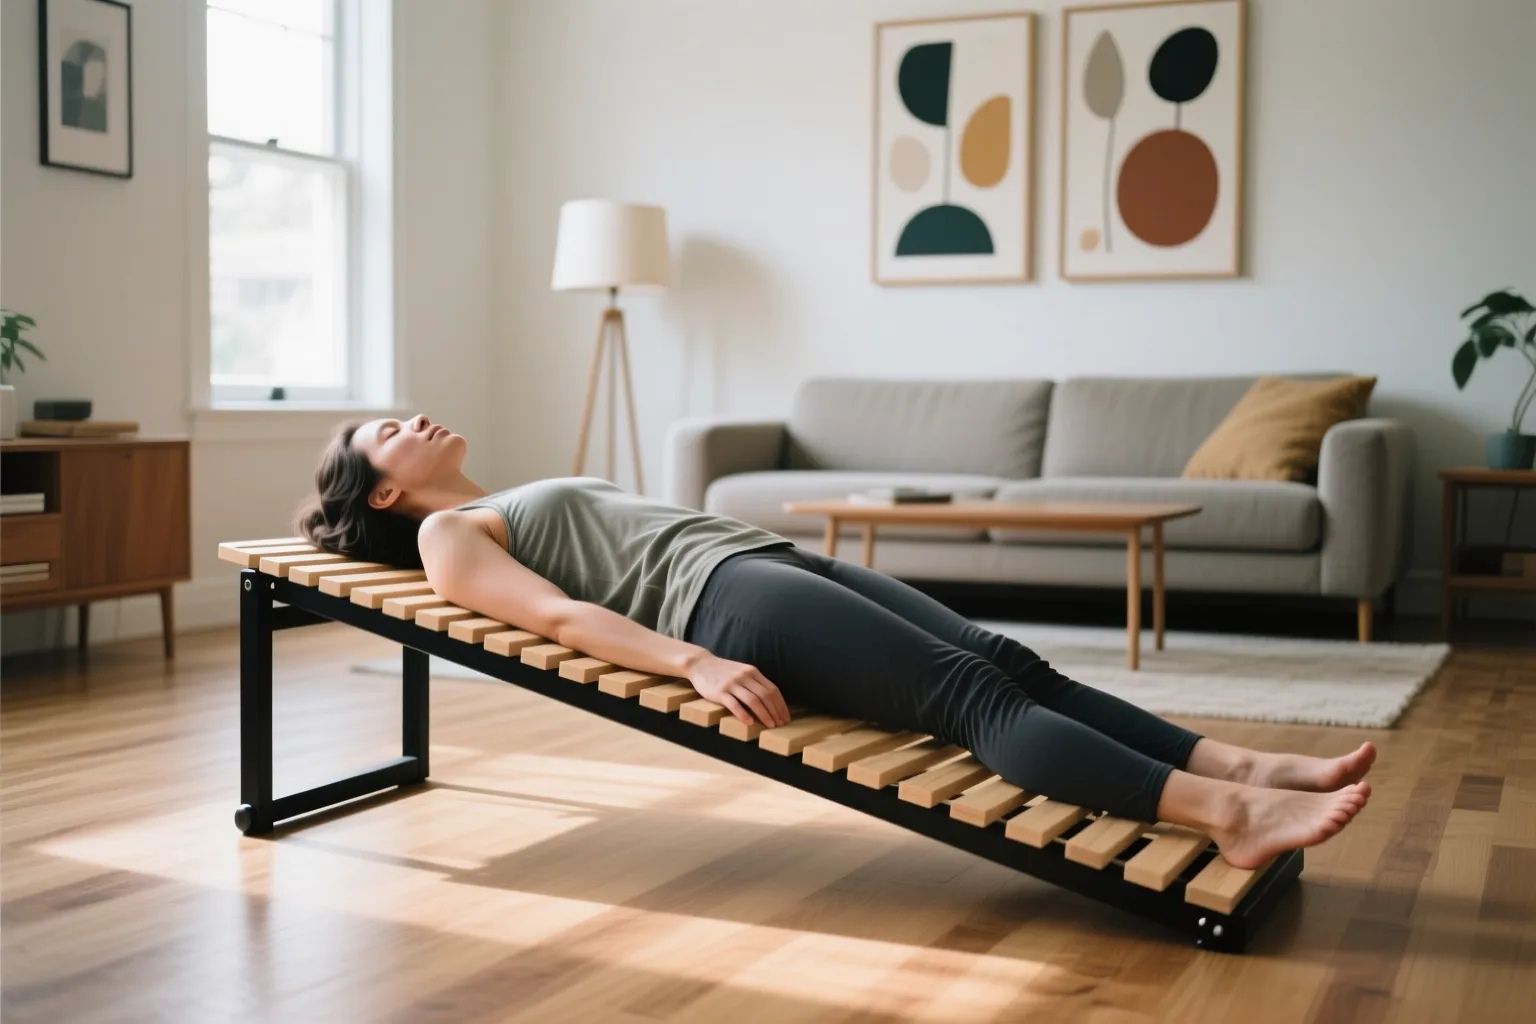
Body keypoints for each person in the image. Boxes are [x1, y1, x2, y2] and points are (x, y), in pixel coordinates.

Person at [297, 413, 1373, 871]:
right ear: (385, 487)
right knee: (972, 703)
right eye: (390, 427)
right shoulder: (445, 532)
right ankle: (1228, 815)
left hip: (759, 559)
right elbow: (561, 619)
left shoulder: (493, 494)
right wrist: (695, 662)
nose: (417, 416)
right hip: (721, 603)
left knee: (1007, 661)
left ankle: (1238, 762)